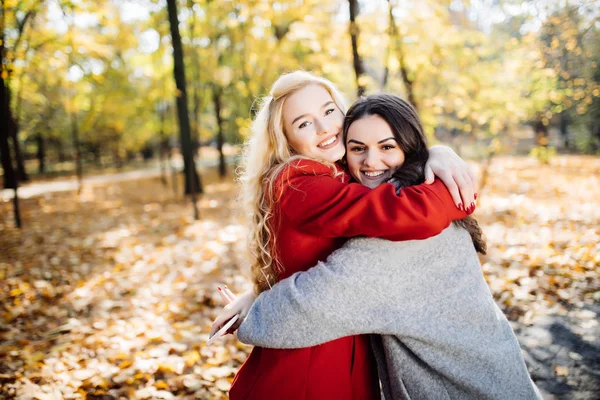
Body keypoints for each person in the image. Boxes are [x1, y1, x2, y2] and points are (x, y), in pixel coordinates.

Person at [220, 94, 541, 400]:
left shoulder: (392, 247)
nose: (371, 161)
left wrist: (254, 311)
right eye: (358, 148)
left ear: (409, 147)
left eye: (387, 146)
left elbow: (297, 313)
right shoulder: (418, 189)